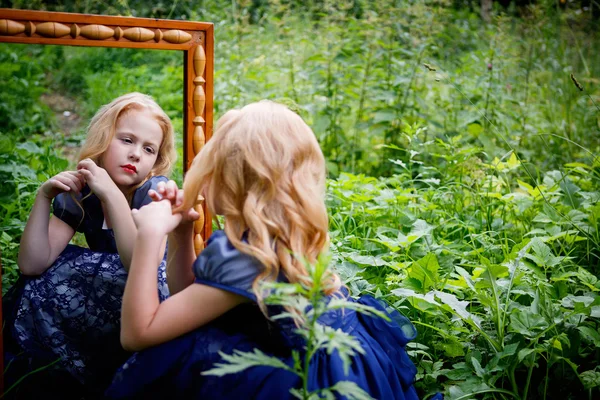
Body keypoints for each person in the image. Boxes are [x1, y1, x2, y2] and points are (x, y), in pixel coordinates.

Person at [106, 101, 422, 399]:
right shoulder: (272, 236)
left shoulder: (248, 254)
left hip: (306, 379)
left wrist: (149, 236)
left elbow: (138, 334)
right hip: (346, 362)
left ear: (238, 178)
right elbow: (189, 300)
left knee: (176, 357)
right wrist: (181, 233)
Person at [3, 92, 176, 397]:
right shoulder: (84, 195)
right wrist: (43, 198)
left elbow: (140, 264)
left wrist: (110, 192)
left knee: (93, 267)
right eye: (126, 140)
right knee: (47, 274)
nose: (136, 154)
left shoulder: (154, 192)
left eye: (148, 149)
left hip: (148, 304)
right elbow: (32, 264)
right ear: (104, 138)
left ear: (156, 161)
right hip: (103, 315)